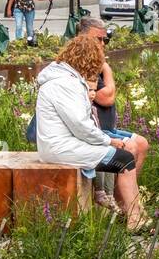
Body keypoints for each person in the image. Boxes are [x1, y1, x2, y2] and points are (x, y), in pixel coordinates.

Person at [34, 34, 148, 232]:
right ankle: (134, 218)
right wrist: (108, 141)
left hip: (59, 144)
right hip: (61, 148)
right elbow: (81, 125)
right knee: (124, 159)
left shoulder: (61, 79)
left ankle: (134, 211)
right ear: (89, 60)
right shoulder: (66, 84)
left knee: (123, 157)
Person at [78, 15, 149, 211]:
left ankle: (124, 202)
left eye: (105, 39)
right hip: (96, 129)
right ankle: (123, 205)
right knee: (130, 148)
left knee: (142, 144)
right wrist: (107, 68)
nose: (103, 44)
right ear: (82, 38)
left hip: (108, 127)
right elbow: (106, 97)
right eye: (97, 39)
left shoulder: (95, 61)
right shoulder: (85, 63)